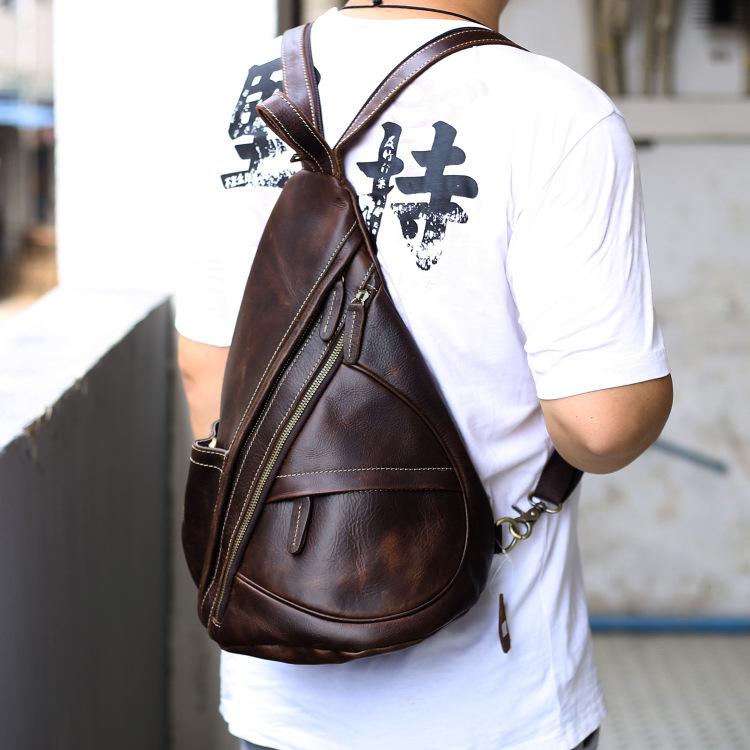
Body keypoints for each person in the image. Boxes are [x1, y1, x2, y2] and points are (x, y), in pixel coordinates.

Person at [174, 2, 673, 748]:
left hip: (280, 662)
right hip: (492, 696)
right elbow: (600, 427)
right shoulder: (555, 110)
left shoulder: (240, 90)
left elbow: (205, 372)